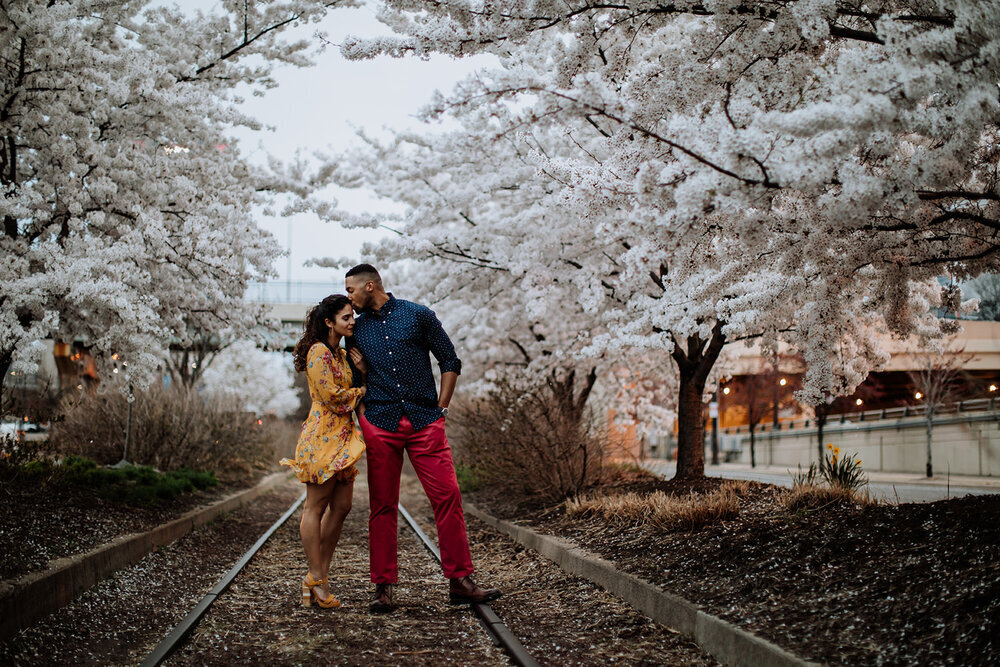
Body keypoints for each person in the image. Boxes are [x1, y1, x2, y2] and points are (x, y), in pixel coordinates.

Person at [344, 263, 501, 613]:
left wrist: (441, 408)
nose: (348, 297)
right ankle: (382, 587)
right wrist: (363, 418)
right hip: (380, 423)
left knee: (448, 496)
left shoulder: (419, 315)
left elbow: (450, 359)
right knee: (382, 506)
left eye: (351, 290)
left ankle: (460, 581)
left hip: (425, 421)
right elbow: (356, 380)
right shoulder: (355, 332)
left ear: (370, 286)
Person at [280, 294, 367, 609]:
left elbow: (346, 392)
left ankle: (318, 574)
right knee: (315, 507)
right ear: (329, 321)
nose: (352, 322)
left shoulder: (341, 354)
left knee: (342, 507)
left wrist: (360, 371)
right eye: (346, 317)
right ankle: (316, 578)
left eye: (352, 316)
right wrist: (362, 389)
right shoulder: (318, 352)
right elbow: (334, 397)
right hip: (322, 437)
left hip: (342, 438)